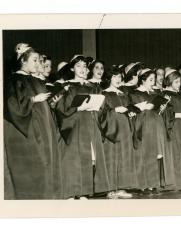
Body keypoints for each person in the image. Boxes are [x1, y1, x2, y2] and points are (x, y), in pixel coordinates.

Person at [5, 44, 62, 199]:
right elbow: (12, 106)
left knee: (47, 165)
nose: (39, 64)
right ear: (23, 60)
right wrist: (34, 99)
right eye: (35, 60)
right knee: (35, 167)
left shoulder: (34, 80)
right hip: (28, 131)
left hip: (43, 130)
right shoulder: (15, 79)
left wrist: (51, 103)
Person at [55, 55, 109, 199]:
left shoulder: (93, 86)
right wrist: (78, 108)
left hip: (91, 123)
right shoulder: (67, 86)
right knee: (74, 159)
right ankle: (72, 193)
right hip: (75, 124)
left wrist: (98, 105)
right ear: (72, 68)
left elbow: (103, 107)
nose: (82, 69)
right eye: (78, 66)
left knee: (89, 158)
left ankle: (84, 191)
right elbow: (61, 109)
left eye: (84, 66)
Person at [129, 68, 175, 193]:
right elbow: (133, 111)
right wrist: (143, 108)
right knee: (146, 153)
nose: (153, 82)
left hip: (157, 124)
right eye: (150, 79)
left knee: (156, 154)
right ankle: (144, 183)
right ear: (143, 80)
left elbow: (160, 110)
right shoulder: (135, 93)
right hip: (145, 125)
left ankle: (153, 183)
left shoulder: (155, 94)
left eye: (154, 79)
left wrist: (163, 106)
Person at [99, 65, 137, 198]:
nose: (118, 79)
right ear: (109, 78)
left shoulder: (124, 94)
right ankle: (110, 189)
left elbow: (129, 109)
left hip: (125, 128)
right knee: (111, 158)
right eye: (114, 76)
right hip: (112, 130)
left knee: (124, 157)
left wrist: (132, 113)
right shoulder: (103, 94)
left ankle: (121, 187)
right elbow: (101, 114)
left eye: (119, 76)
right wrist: (114, 111)